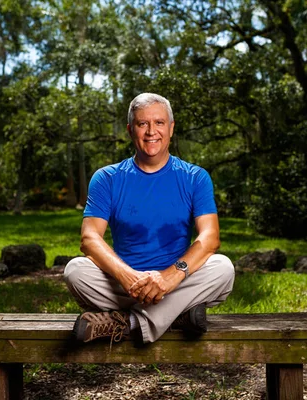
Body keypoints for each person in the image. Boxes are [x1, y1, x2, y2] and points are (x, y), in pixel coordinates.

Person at [64, 93, 235, 345]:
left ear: (171, 128)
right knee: (76, 270)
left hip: (177, 283)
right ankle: (177, 315)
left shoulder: (195, 177)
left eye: (159, 123)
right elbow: (89, 239)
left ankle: (128, 323)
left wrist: (170, 277)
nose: (151, 131)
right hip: (126, 287)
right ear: (130, 129)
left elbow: (209, 238)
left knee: (223, 268)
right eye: (143, 123)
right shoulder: (107, 178)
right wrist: (128, 277)